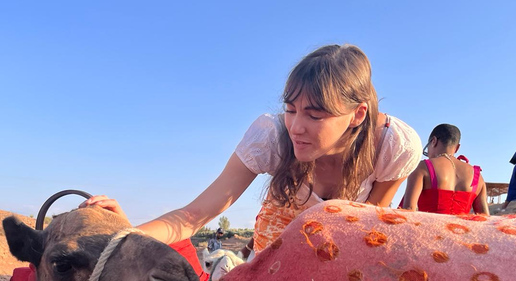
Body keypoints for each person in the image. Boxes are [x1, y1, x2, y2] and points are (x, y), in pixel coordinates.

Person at [84, 44, 421, 253]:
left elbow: (365, 228)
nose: (296, 127)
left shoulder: (393, 147)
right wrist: (122, 235)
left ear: (357, 114)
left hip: (343, 244)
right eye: (290, 110)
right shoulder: (271, 136)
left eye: (314, 115)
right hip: (276, 242)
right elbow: (193, 216)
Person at [402, 124, 489, 215]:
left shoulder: (423, 167)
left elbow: (408, 210)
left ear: (433, 141)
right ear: (457, 147)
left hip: (428, 228)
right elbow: (485, 218)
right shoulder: (477, 176)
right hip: (461, 229)